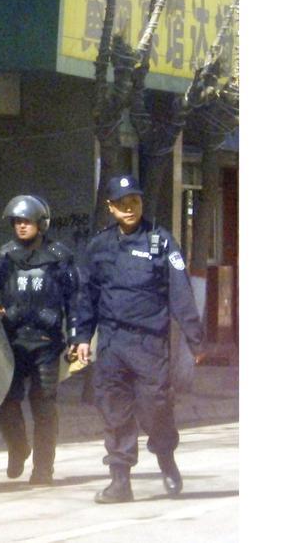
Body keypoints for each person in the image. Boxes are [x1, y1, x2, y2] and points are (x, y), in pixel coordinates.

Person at [77, 175, 203, 503]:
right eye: (122, 203)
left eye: (134, 201)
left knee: (156, 407)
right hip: (112, 342)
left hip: (150, 343)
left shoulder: (160, 242)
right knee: (114, 410)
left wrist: (195, 339)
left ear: (142, 203)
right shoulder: (99, 247)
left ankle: (165, 456)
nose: (129, 208)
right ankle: (120, 481)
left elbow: (181, 293)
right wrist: (81, 337)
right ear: (110, 207)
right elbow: (86, 296)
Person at [0, 195, 90, 485]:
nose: (21, 226)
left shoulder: (59, 257)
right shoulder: (4, 257)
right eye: (17, 221)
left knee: (43, 406)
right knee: (4, 403)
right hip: (11, 342)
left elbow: (75, 299)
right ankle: (18, 448)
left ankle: (43, 468)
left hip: (46, 342)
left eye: (27, 221)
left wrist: (76, 337)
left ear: (41, 223)